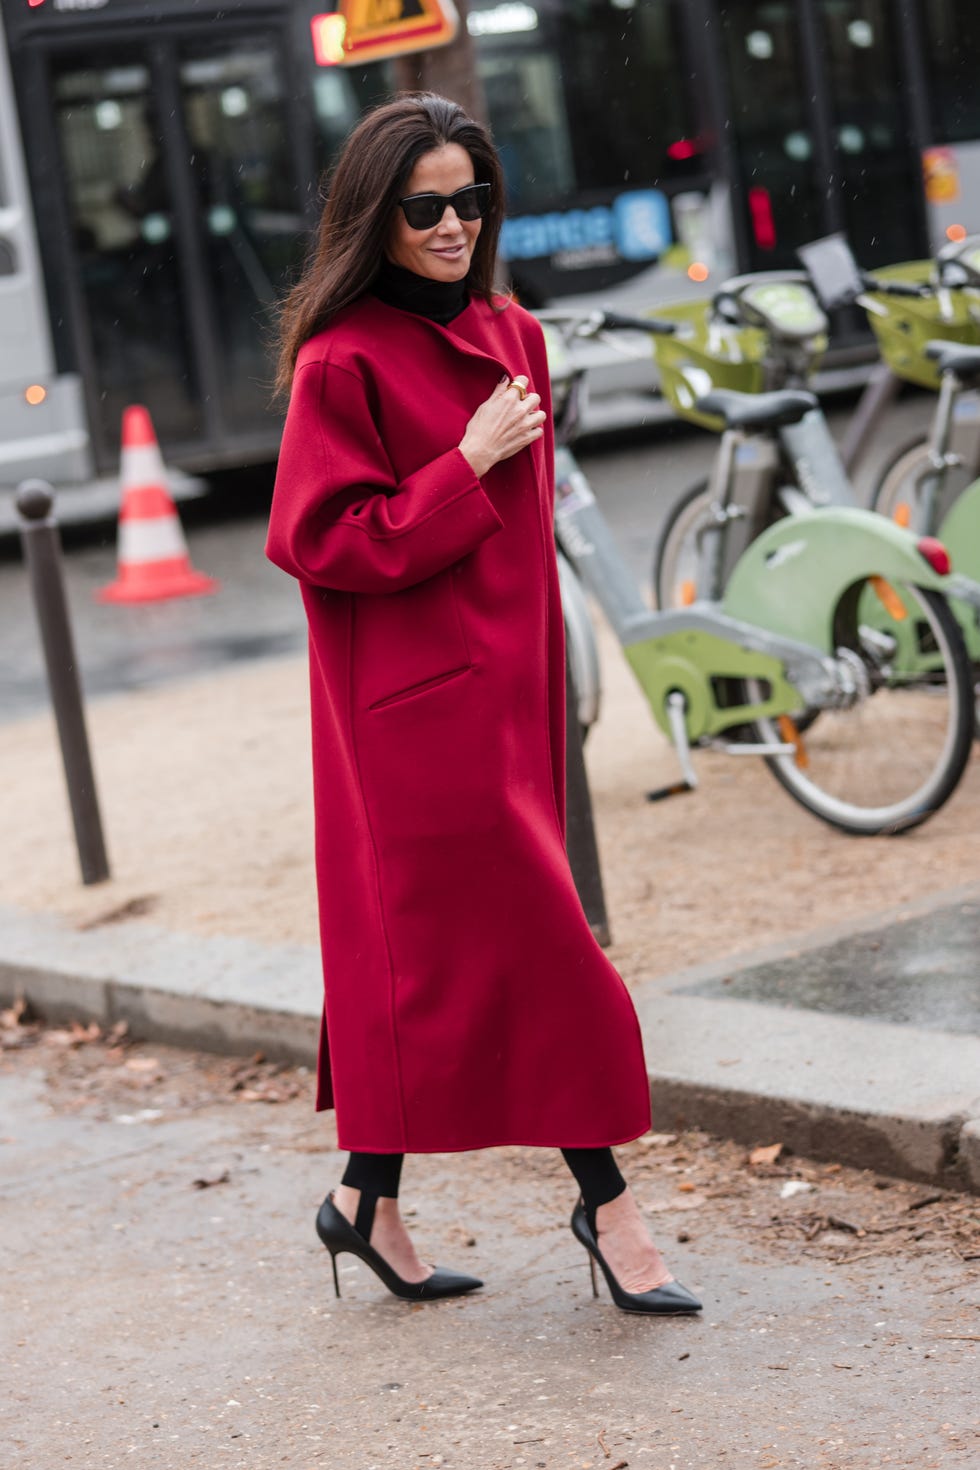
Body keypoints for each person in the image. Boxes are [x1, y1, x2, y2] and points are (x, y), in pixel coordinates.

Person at [265, 93, 701, 1317]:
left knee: (433, 962)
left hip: (508, 695)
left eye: (471, 200)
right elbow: (319, 539)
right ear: (375, 218)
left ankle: (363, 1199)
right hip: (411, 716)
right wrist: (465, 463)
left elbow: (527, 535)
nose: (454, 223)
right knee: (540, 952)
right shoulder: (340, 359)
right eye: (425, 207)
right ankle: (608, 1205)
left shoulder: (515, 332)